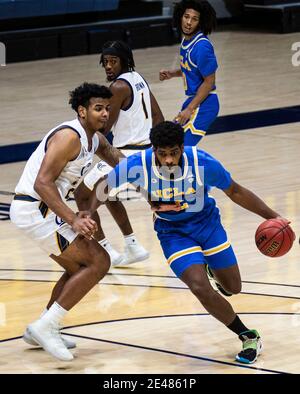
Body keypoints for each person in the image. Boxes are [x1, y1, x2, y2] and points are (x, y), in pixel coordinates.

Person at [90, 121, 294, 364]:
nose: (167, 160)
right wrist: (85, 213)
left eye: (173, 153)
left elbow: (236, 191)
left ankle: (210, 267)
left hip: (207, 224)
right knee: (199, 286)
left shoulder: (203, 163)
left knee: (233, 288)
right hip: (172, 231)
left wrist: (273, 217)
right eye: (162, 153)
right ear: (153, 149)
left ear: (182, 148)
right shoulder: (137, 164)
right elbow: (102, 187)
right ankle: (247, 335)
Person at [9, 83, 126, 362]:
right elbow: (42, 182)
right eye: (98, 109)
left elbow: (119, 160)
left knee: (79, 268)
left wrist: (154, 177)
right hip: (34, 209)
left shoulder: (94, 139)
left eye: (108, 109)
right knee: (99, 261)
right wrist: (72, 218)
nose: (105, 114)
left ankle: (41, 327)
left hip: (45, 211)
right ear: (82, 111)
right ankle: (46, 326)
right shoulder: (68, 136)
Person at [75, 40, 164, 267]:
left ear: (125, 60)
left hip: (125, 154)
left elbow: (103, 126)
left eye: (113, 61)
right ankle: (132, 245)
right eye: (105, 62)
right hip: (144, 152)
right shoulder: (139, 79)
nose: (108, 66)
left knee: (82, 195)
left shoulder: (118, 88)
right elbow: (158, 117)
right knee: (107, 194)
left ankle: (104, 250)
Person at [159, 0, 219, 146]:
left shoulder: (202, 46)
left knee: (179, 147)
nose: (189, 22)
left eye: (194, 19)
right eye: (186, 17)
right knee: (168, 141)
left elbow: (209, 82)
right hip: (193, 100)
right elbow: (192, 69)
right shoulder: (186, 41)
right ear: (180, 16)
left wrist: (190, 109)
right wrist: (173, 73)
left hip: (205, 104)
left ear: (200, 22)